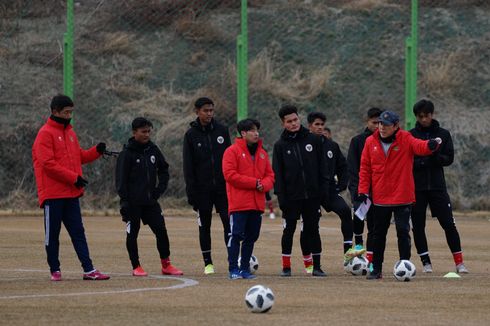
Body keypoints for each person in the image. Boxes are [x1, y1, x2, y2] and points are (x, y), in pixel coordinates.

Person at [32, 94, 110, 281]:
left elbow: (79, 156)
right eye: (66, 112)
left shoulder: (70, 133)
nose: (69, 116)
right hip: (53, 195)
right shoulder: (45, 134)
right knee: (52, 234)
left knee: (78, 232)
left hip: (71, 194)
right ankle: (55, 269)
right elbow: (47, 164)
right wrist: (73, 178)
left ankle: (89, 270)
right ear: (55, 112)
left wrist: (96, 152)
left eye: (71, 112)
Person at [358, 110, 441, 279]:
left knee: (403, 232)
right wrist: (362, 191)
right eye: (380, 124)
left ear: (396, 126)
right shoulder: (370, 142)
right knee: (378, 234)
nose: (382, 127)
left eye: (386, 125)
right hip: (380, 197)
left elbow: (420, 146)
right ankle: (376, 269)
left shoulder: (405, 138)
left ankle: (405, 265)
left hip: (402, 195)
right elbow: (365, 169)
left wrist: (431, 145)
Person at [116, 117, 183, 276]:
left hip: (150, 201)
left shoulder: (153, 149)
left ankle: (166, 265)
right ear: (134, 132)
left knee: (161, 230)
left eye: (148, 131)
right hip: (133, 203)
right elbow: (120, 180)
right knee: (133, 233)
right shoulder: (127, 153)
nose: (147, 135)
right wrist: (125, 201)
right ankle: (136, 266)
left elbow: (164, 170)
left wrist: (159, 190)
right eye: (143, 132)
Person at [410, 99, 468, 274]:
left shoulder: (443, 134)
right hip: (417, 188)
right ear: (417, 117)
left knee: (449, 224)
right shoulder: (411, 135)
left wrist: (436, 158)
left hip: (437, 187)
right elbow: (409, 160)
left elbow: (448, 158)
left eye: (426, 116)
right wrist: (422, 161)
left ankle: (459, 263)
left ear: (432, 115)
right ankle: (426, 263)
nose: (424, 120)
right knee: (418, 226)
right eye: (420, 117)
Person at [273, 105, 329, 277]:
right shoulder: (280, 145)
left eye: (295, 119)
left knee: (313, 230)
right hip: (291, 197)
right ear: (283, 124)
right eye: (289, 121)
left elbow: (323, 168)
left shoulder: (313, 140)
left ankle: (317, 266)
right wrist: (281, 197)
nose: (293, 124)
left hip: (312, 196)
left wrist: (322, 191)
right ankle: (286, 267)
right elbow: (278, 173)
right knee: (288, 230)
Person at [307, 112, 365, 266]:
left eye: (322, 125)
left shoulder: (331, 146)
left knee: (346, 212)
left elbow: (343, 166)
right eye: (316, 125)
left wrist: (342, 184)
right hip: (311, 193)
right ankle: (311, 263)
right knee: (311, 225)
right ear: (309, 126)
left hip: (329, 190)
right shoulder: (305, 145)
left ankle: (348, 254)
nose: (320, 128)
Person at [183, 97, 231, 275]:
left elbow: (229, 159)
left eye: (211, 110)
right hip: (202, 189)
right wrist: (191, 191)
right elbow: (188, 166)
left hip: (222, 188)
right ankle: (208, 263)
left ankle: (231, 259)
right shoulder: (190, 135)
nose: (209, 114)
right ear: (197, 112)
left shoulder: (222, 131)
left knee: (229, 223)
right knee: (205, 225)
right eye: (205, 110)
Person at [222, 118, 274, 279]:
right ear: (243, 133)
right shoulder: (232, 151)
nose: (256, 133)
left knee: (251, 237)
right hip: (239, 204)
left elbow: (270, 176)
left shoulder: (263, 154)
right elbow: (230, 175)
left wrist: (264, 185)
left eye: (257, 130)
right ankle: (233, 269)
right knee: (236, 236)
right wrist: (254, 183)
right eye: (252, 130)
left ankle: (244, 269)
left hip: (257, 205)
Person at [347, 107, 382, 267]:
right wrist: (357, 191)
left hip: (379, 192)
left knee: (375, 227)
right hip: (361, 191)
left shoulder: (385, 141)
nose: (377, 126)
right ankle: (359, 251)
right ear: (367, 122)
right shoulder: (357, 141)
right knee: (359, 222)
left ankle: (371, 261)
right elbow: (353, 169)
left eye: (380, 123)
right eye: (374, 122)